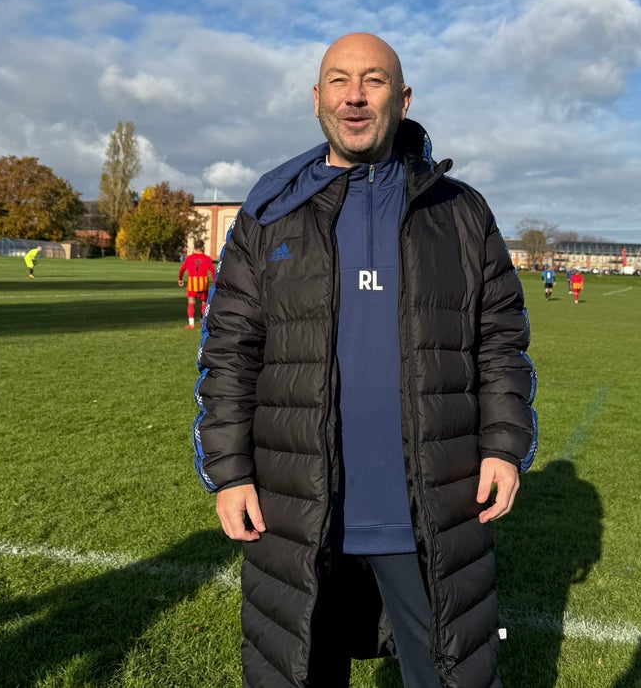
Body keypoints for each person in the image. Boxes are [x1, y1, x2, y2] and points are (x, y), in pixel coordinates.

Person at [191, 33, 537, 688]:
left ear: (402, 99)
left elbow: (501, 343)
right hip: (293, 511)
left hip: (427, 507)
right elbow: (230, 353)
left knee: (449, 676)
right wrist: (230, 472)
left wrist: (503, 445)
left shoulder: (460, 213)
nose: (355, 95)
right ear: (316, 98)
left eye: (374, 80)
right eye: (339, 80)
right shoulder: (270, 214)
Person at [178, 240, 215, 329]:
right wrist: (215, 282)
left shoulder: (189, 258)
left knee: (191, 302)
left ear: (195, 247)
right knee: (204, 303)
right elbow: (213, 271)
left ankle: (191, 324)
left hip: (192, 283)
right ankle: (202, 322)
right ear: (202, 248)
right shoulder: (207, 258)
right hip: (203, 283)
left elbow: (182, 269)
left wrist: (180, 279)